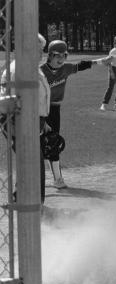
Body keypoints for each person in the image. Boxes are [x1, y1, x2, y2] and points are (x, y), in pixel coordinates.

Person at [41, 40, 102, 189]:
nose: (61, 59)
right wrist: (42, 120)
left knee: (53, 143)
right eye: (57, 55)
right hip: (40, 109)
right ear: (49, 55)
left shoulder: (66, 68)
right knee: (38, 146)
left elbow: (81, 65)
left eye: (64, 55)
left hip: (55, 110)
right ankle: (36, 179)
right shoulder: (41, 71)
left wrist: (101, 61)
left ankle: (58, 179)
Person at [0, 33, 51, 204]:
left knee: (30, 161)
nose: (41, 53)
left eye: (42, 49)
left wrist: (43, 121)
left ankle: (21, 198)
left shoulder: (31, 67)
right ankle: (35, 205)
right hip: (21, 123)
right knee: (34, 163)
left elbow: (37, 99)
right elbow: (12, 101)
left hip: (32, 121)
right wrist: (18, 126)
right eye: (39, 49)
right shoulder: (20, 69)